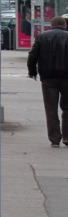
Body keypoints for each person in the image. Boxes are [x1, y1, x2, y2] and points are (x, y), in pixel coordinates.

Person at [27, 15, 68, 147]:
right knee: (67, 108)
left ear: (51, 25)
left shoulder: (42, 37)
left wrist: (32, 71)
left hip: (48, 78)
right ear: (65, 26)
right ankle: (67, 137)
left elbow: (32, 55)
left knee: (51, 109)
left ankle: (55, 139)